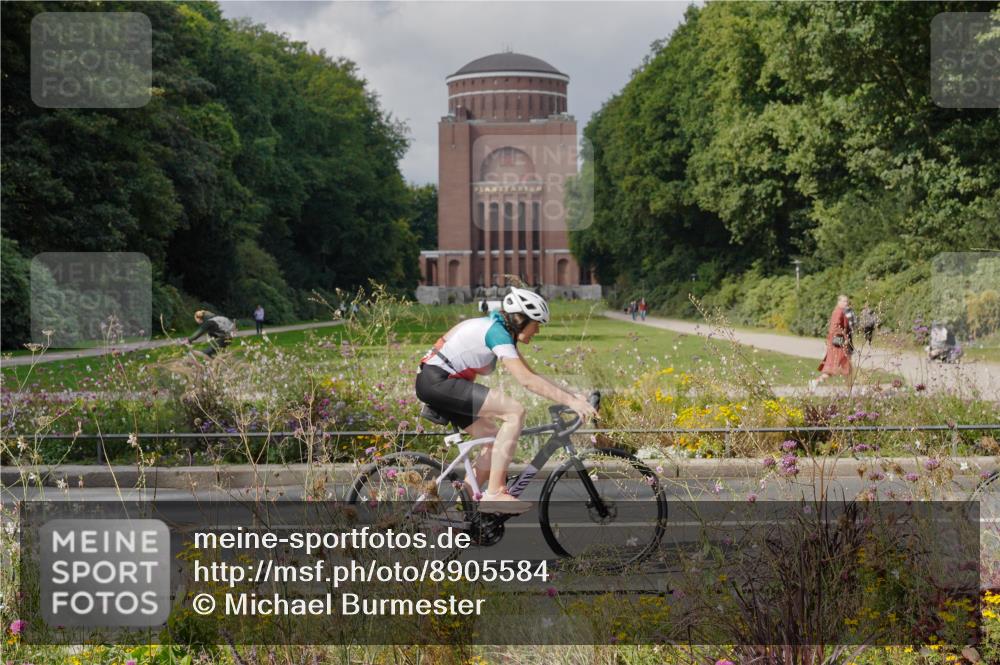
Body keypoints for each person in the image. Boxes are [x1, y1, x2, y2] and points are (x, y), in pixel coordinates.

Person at [415, 287, 597, 514]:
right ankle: (494, 493)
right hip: (438, 381)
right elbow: (526, 381)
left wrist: (572, 396)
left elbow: (532, 375)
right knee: (514, 412)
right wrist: (571, 403)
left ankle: (463, 510)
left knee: (491, 438)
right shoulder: (496, 332)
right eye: (537, 323)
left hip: (437, 382)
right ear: (521, 320)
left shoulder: (499, 330)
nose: (538, 330)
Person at [811, 295, 852, 390]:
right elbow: (835, 327)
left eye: (847, 301)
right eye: (844, 301)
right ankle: (849, 389)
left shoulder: (840, 311)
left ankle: (816, 382)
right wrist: (844, 339)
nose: (846, 303)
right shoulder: (838, 312)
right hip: (837, 343)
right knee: (841, 364)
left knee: (839, 365)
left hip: (836, 342)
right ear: (839, 302)